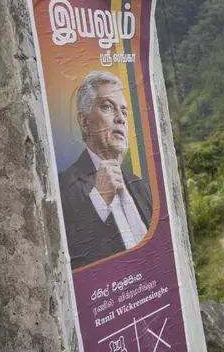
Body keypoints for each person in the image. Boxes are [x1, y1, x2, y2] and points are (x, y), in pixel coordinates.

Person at [58, 72, 153, 270]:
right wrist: (99, 199)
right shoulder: (62, 187)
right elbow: (70, 259)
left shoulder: (142, 186)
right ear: (85, 122)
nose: (120, 118)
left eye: (124, 112)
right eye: (108, 107)